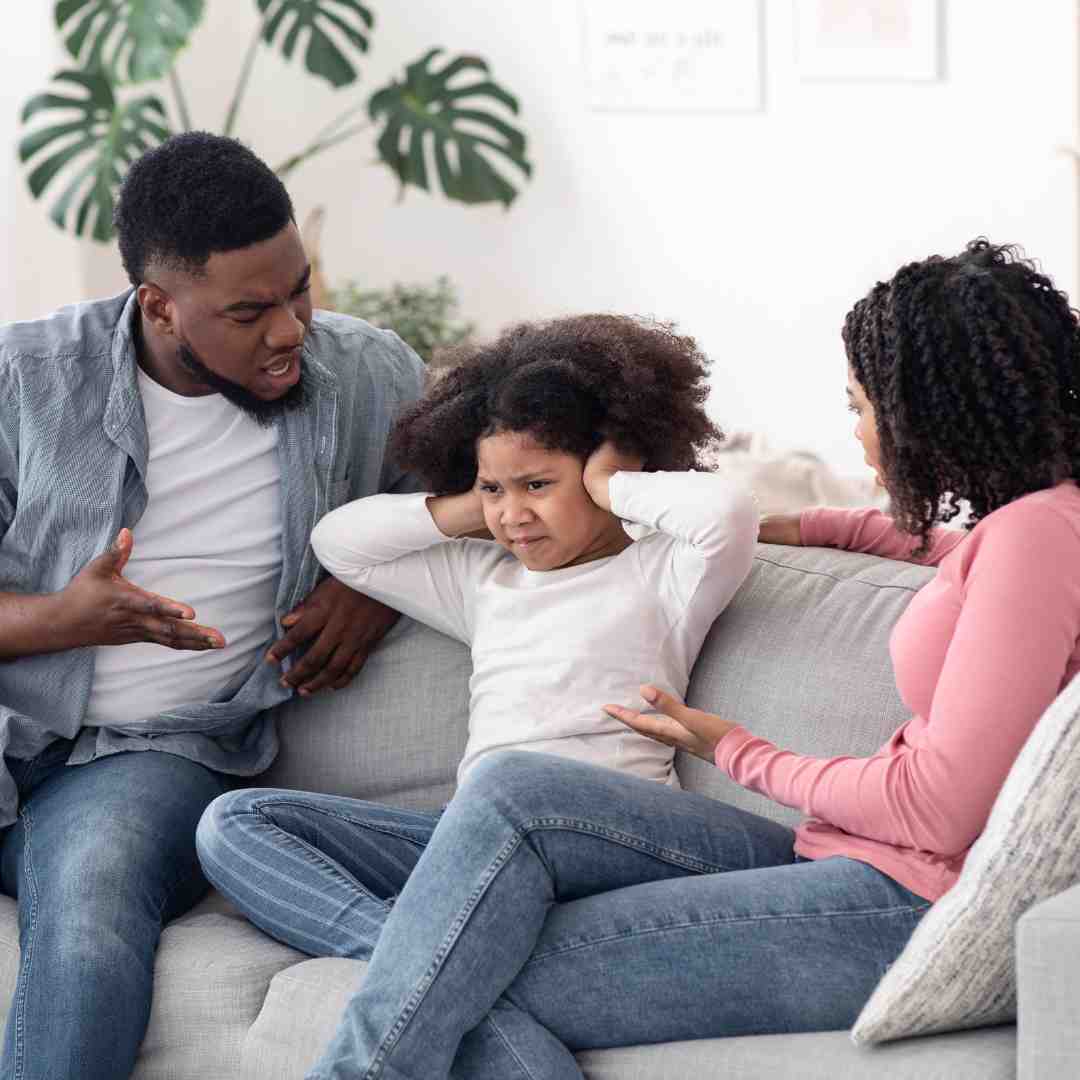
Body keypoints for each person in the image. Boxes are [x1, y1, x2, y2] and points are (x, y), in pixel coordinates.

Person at [286, 238, 1080, 1080]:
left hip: (899, 906)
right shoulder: (1030, 528)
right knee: (482, 872)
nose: (858, 432)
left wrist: (736, 749)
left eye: (860, 406)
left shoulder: (1038, 538)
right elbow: (953, 556)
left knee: (467, 956)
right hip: (864, 879)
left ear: (928, 410)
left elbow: (935, 809)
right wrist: (821, 525)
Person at [195, 313, 759, 1071]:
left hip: (604, 837)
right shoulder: (484, 578)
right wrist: (473, 506)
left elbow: (727, 515)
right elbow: (339, 541)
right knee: (235, 821)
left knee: (509, 784)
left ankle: (439, 961)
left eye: (539, 485)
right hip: (478, 845)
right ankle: (438, 958)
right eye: (495, 488)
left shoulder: (662, 571)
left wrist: (611, 482)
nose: (513, 513)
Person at [0, 132, 425, 1080]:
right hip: (14, 729)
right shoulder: (24, 379)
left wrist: (368, 587)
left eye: (299, 290)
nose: (289, 330)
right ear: (158, 305)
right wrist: (63, 621)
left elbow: (479, 503)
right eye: (249, 310)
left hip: (155, 757)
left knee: (91, 886)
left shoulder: (368, 377)